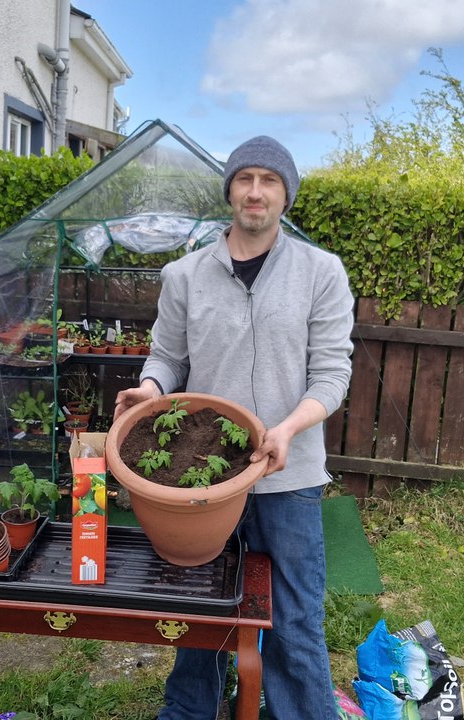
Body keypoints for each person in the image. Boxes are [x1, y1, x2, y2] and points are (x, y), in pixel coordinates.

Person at [114, 135, 355, 720]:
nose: (255, 192)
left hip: (286, 472)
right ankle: (192, 712)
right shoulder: (187, 275)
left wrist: (288, 428)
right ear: (230, 192)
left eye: (269, 181)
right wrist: (148, 392)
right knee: (202, 608)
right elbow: (167, 358)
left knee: (293, 615)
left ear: (285, 195)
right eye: (244, 179)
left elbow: (331, 374)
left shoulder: (321, 272)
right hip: (199, 476)